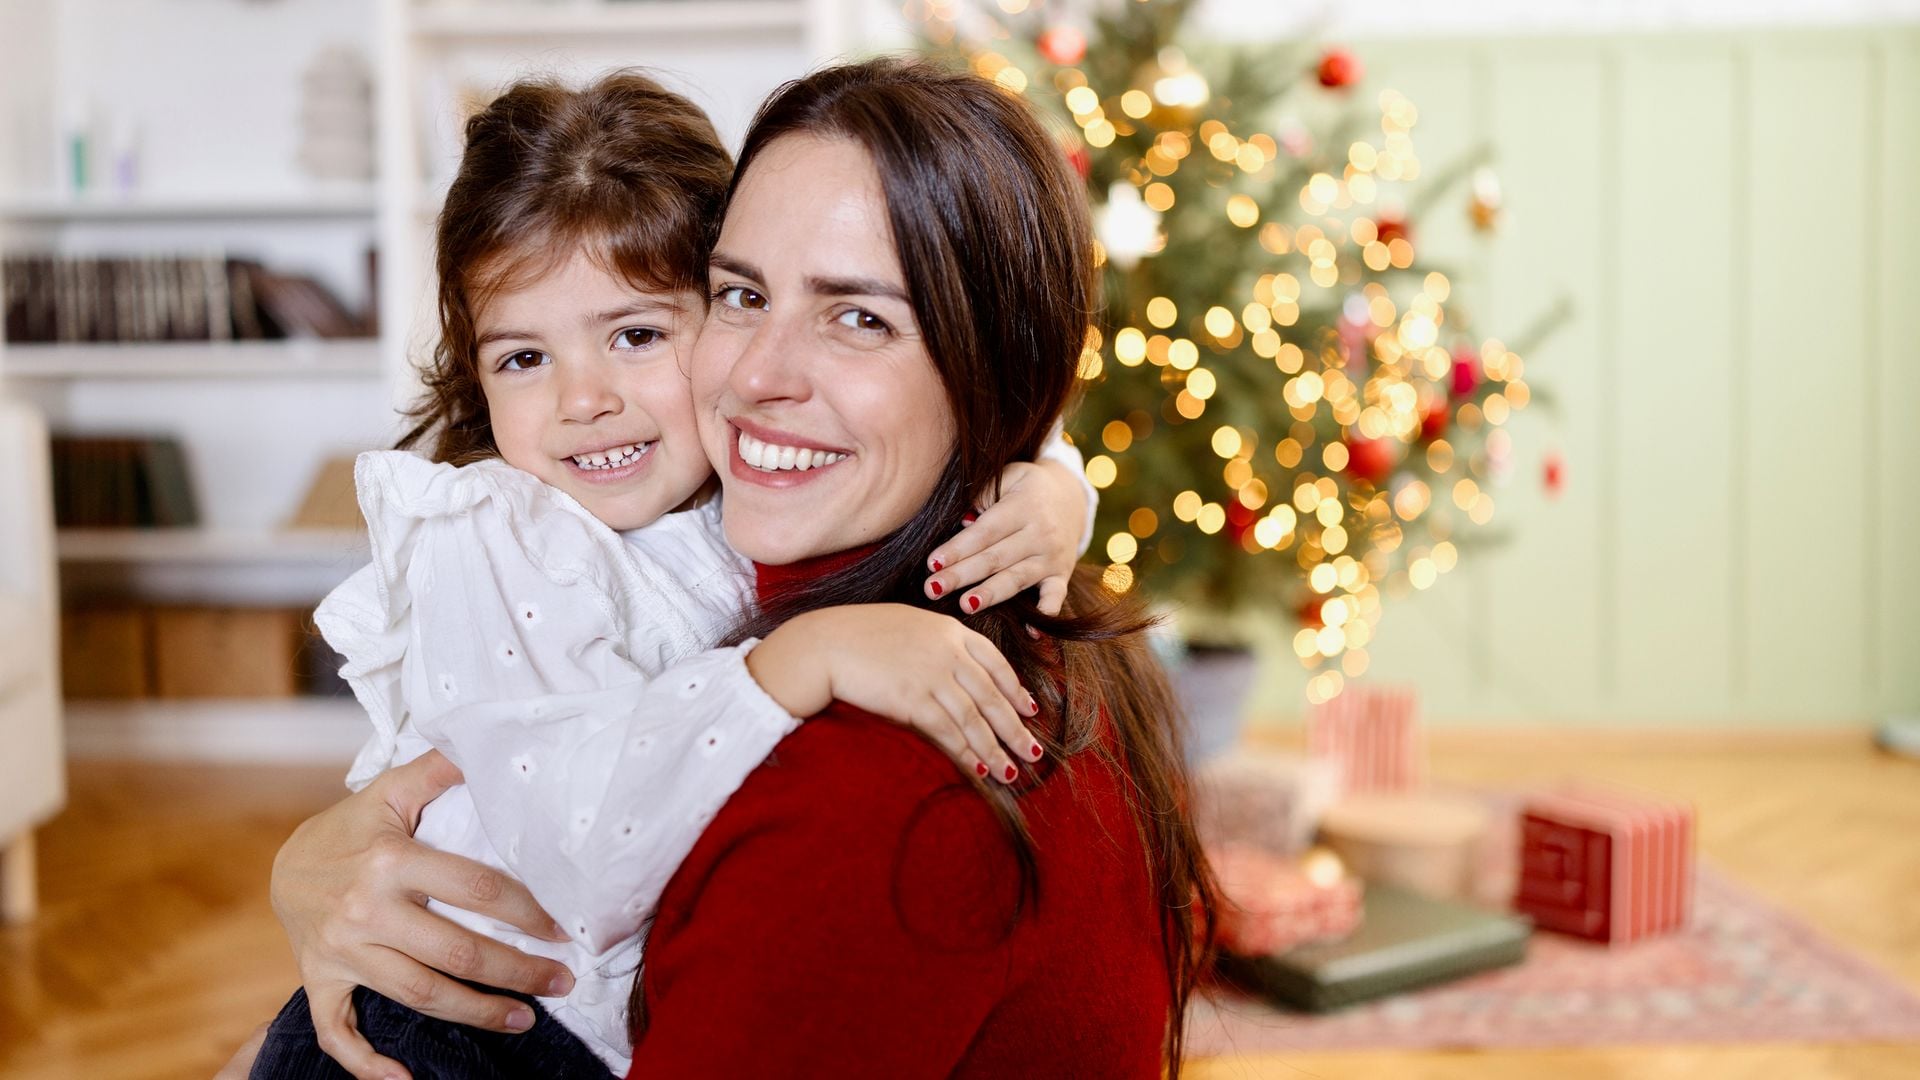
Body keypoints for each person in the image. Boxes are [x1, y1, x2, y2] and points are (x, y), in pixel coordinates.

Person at [241, 72, 1098, 1080]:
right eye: (522, 359)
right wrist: (798, 662)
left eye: (638, 335)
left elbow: (944, 411)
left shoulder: (735, 497)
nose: (584, 400)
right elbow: (584, 860)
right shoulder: (492, 540)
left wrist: (1051, 486)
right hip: (451, 1034)